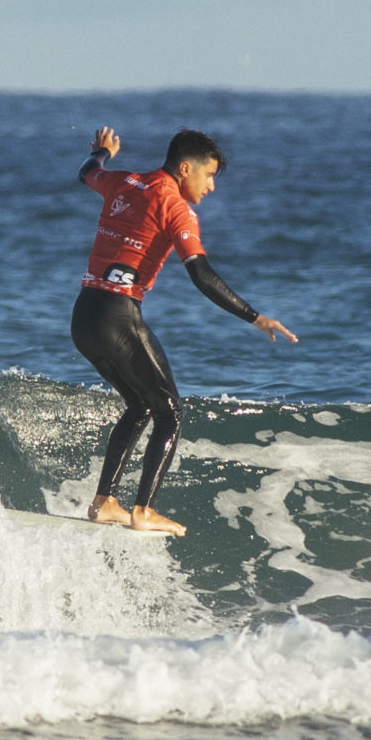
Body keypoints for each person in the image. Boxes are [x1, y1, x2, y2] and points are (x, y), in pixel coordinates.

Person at [71, 126, 297, 536]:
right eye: (208, 176)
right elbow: (201, 274)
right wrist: (255, 317)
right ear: (186, 167)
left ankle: (105, 502)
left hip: (84, 316)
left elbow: (87, 171)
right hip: (119, 315)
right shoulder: (175, 206)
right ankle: (144, 510)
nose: (211, 186)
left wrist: (103, 152)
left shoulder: (124, 182)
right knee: (170, 412)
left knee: (141, 406)